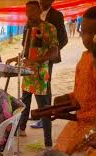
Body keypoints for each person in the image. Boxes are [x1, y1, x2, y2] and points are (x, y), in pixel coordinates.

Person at [31, 6, 96, 156]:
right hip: (80, 126)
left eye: (95, 33)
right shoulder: (85, 58)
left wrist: (79, 116)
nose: (89, 38)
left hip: (93, 133)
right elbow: (82, 95)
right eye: (85, 32)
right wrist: (65, 101)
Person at [6, 1, 59, 149]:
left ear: (39, 10)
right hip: (27, 74)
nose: (28, 14)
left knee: (45, 109)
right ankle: (21, 129)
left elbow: (54, 52)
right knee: (24, 103)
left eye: (32, 11)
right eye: (26, 11)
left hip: (41, 76)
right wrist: (16, 59)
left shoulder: (49, 28)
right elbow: (26, 51)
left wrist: (35, 60)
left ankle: (48, 144)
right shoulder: (27, 28)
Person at [31, 0, 68, 129]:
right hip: (33, 59)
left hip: (47, 59)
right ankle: (41, 114)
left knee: (45, 87)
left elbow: (64, 38)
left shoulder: (57, 15)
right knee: (35, 87)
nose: (42, 0)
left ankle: (45, 117)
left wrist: (51, 51)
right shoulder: (35, 13)